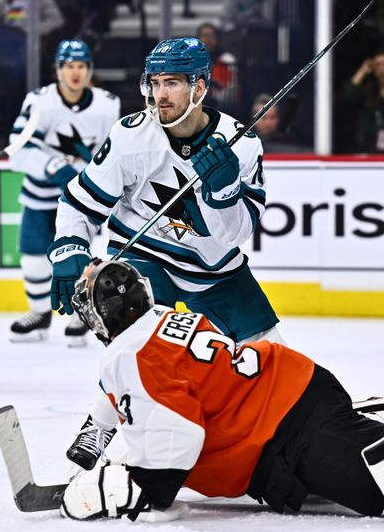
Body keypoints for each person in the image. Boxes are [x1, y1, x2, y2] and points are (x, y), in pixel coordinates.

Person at [55, 260, 384, 523]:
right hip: (294, 394)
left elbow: (175, 443)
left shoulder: (128, 357)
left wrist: (125, 488)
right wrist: (90, 443)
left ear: (100, 318)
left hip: (287, 431)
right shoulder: (159, 322)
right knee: (374, 459)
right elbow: (121, 397)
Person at [48, 37, 284, 472]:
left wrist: (225, 193)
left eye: (172, 83)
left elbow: (233, 238)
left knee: (271, 356)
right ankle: (101, 422)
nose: (159, 95)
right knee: (136, 336)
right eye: (154, 82)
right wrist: (69, 247)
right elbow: (79, 204)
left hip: (214, 270)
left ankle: (288, 438)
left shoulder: (242, 145)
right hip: (145, 255)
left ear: (200, 86)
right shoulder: (130, 137)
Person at [7, 39, 119, 344]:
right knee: (32, 253)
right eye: (69, 66)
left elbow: (113, 150)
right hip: (40, 193)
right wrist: (54, 167)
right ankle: (40, 313)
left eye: (81, 66)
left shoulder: (108, 104)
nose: (75, 73)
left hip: (83, 197)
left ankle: (79, 315)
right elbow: (18, 149)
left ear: (89, 70)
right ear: (58, 69)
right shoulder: (39, 102)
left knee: (79, 253)